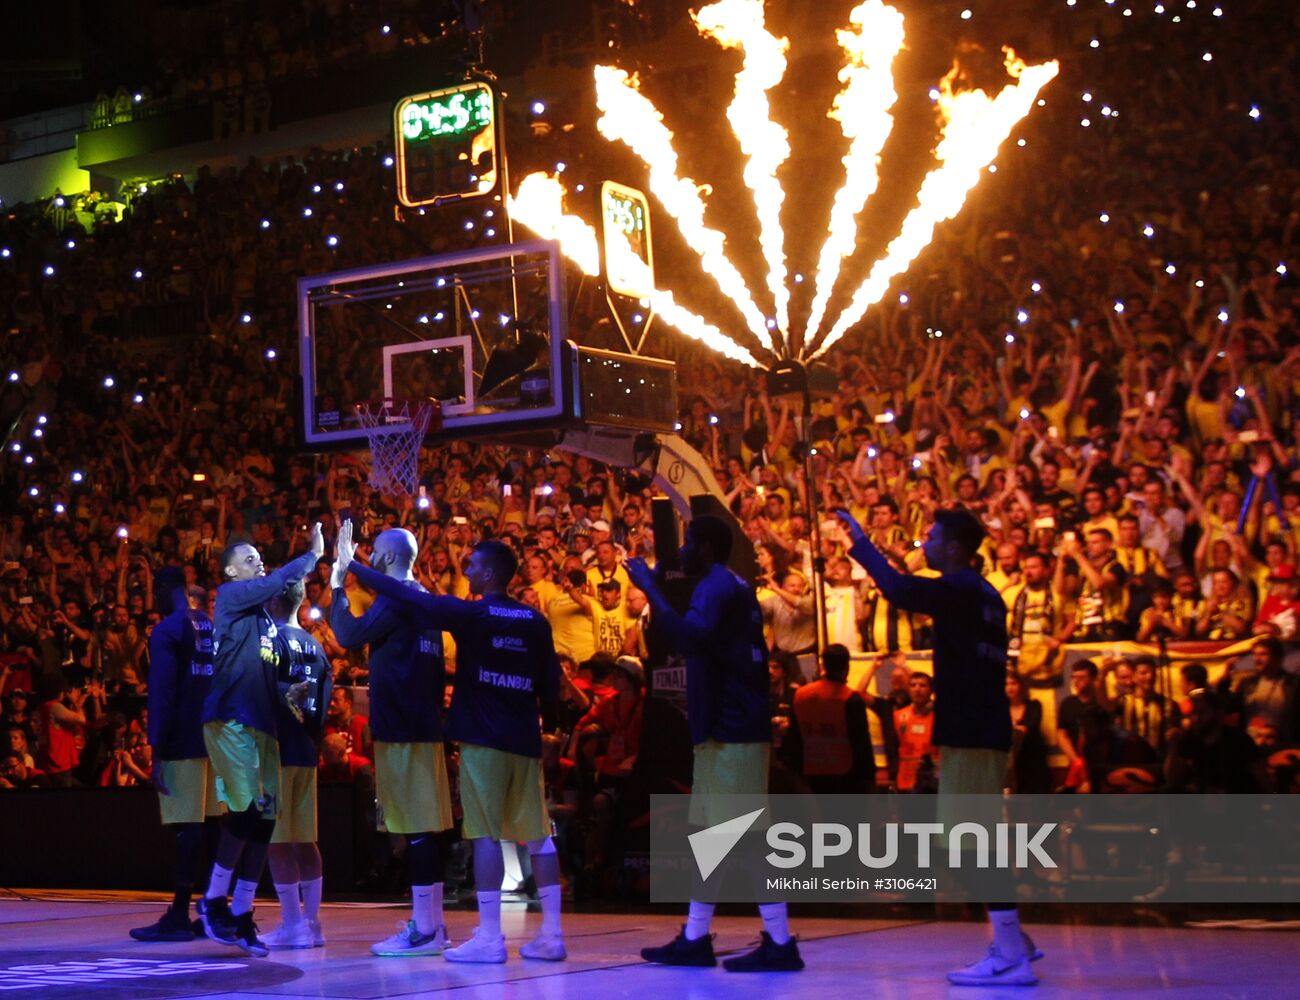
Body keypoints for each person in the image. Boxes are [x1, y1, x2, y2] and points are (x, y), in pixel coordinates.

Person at [337, 534, 565, 964]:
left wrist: (353, 565)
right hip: (525, 741)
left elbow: (404, 594)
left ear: (491, 573)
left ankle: (491, 939)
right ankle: (552, 935)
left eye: (473, 565)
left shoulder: (473, 614)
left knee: (485, 836)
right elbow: (552, 688)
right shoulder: (536, 621)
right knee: (539, 837)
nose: (466, 570)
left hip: (483, 738)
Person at [837, 507, 1039, 986]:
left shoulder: (962, 589)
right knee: (975, 845)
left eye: (931, 536)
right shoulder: (986, 594)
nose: (923, 541)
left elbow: (900, 589)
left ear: (953, 548)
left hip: (971, 732)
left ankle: (1011, 951)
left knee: (967, 849)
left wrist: (863, 546)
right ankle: (1015, 941)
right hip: (983, 731)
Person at [627, 514, 804, 973]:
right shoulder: (732, 586)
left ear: (704, 547)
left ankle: (780, 942)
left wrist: (649, 585)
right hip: (726, 730)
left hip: (732, 731)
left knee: (745, 840)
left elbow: (689, 635)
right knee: (715, 838)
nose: (682, 551)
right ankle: (695, 937)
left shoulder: (715, 587)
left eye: (688, 542)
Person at [198, 525, 324, 956]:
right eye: (249, 559)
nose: (258, 563)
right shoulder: (229, 597)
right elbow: (276, 582)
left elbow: (268, 670)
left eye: (258, 557)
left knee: (266, 822)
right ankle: (214, 899)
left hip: (264, 726)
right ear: (231, 571)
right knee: (248, 809)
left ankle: (242, 913)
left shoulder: (266, 620)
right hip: (230, 720)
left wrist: (290, 693)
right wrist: (313, 555)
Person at [331, 523, 455, 957]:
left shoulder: (397, 598)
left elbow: (347, 635)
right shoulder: (418, 597)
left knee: (416, 831)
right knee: (426, 830)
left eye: (374, 551)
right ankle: (433, 925)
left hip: (402, 728)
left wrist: (337, 590)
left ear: (384, 558)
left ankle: (424, 930)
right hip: (423, 726)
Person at [130, 566, 218, 943]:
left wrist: (156, 749)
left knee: (187, 826)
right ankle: (214, 909)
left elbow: (162, 693)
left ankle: (180, 914)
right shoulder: (209, 624)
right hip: (214, 737)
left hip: (182, 738)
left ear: (164, 589)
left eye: (154, 592)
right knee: (212, 826)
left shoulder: (167, 629)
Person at [262, 578, 332, 951]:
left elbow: (261, 694)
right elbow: (325, 700)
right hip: (306, 751)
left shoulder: (269, 642)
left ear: (273, 601)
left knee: (276, 841)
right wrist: (313, 736)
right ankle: (313, 924)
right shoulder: (316, 644)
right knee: (304, 837)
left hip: (275, 750)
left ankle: (292, 924)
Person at [785, 643, 873, 793]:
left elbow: (794, 737)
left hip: (811, 771)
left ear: (823, 665)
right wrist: (869, 778)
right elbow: (861, 742)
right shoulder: (850, 698)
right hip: (846, 773)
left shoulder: (800, 695)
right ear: (847, 666)